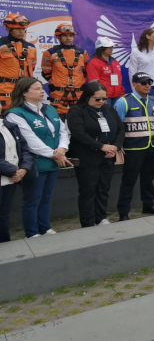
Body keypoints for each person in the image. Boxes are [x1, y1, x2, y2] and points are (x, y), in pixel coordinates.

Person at [6, 78, 70, 238]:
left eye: (42, 88)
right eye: (36, 89)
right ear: (24, 93)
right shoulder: (15, 114)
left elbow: (63, 131)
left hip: (54, 161)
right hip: (35, 163)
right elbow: (29, 140)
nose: (42, 91)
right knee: (32, 200)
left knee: (46, 198)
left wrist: (62, 149)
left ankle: (45, 227)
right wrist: (55, 155)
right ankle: (32, 232)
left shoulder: (49, 109)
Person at [66, 81, 124, 227]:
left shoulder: (108, 109)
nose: (101, 102)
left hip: (107, 156)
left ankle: (101, 217)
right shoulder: (76, 111)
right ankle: (87, 222)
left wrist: (115, 147)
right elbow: (79, 134)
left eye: (104, 98)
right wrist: (101, 146)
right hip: (87, 156)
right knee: (88, 190)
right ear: (87, 97)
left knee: (103, 188)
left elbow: (120, 129)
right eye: (97, 99)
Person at [114, 72, 154, 221]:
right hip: (133, 148)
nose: (147, 86)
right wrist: (118, 146)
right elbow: (117, 126)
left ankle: (149, 205)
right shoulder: (123, 102)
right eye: (144, 83)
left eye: (149, 83)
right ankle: (123, 211)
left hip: (152, 146)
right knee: (128, 180)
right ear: (134, 84)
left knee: (148, 178)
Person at [0, 102, 33, 243]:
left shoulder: (8, 125)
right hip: (10, 175)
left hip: (10, 180)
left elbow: (24, 148)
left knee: (4, 216)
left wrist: (24, 168)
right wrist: (14, 171)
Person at [41, 24, 89, 117]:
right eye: (65, 35)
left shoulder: (83, 53)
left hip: (78, 94)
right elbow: (46, 73)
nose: (68, 38)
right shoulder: (50, 53)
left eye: (70, 36)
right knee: (58, 123)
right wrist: (58, 84)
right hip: (58, 94)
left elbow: (85, 72)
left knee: (79, 123)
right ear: (58, 37)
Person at [0, 14, 37, 108]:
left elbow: (32, 67)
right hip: (5, 91)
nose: (21, 31)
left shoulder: (31, 47)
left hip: (25, 90)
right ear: (8, 28)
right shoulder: (1, 44)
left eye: (23, 29)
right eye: (17, 29)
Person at [85, 37, 124, 104]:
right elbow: (94, 84)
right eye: (108, 47)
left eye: (112, 46)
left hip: (118, 96)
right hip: (103, 98)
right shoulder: (93, 63)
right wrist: (100, 97)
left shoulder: (115, 62)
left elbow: (119, 79)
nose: (111, 49)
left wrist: (121, 92)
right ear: (101, 48)